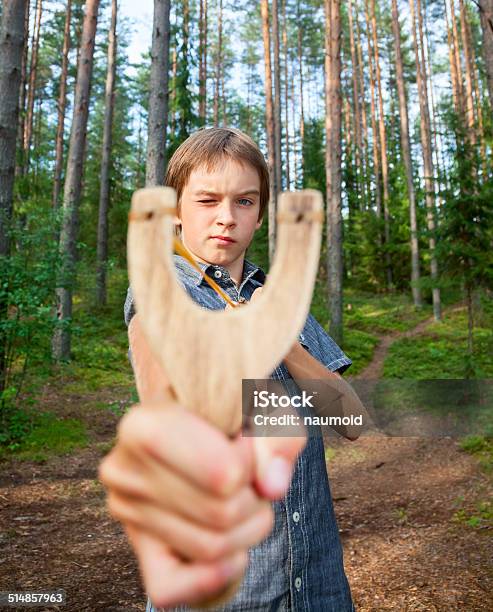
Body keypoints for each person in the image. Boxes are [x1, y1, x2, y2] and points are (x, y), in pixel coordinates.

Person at [99, 127, 357, 611]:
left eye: (244, 201)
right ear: (176, 210)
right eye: (207, 200)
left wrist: (287, 345)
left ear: (260, 215)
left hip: (317, 585)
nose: (225, 217)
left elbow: (352, 421)